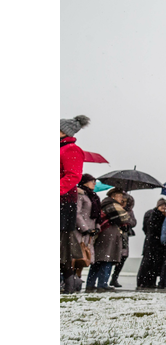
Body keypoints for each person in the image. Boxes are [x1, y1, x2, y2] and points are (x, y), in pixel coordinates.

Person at [60, 115, 90, 293]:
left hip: (63, 202)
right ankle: (68, 280)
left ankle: (69, 280)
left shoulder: (71, 149)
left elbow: (73, 176)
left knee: (62, 243)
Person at [87, 188, 131, 292]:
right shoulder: (111, 205)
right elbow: (124, 218)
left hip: (105, 235)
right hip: (108, 235)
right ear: (113, 196)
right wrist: (125, 210)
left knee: (98, 261)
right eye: (120, 196)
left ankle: (91, 284)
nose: (121, 198)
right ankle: (102, 284)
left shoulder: (106, 204)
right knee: (107, 259)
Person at [136, 198, 166, 288]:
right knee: (148, 263)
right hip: (152, 242)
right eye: (162, 205)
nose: (164, 207)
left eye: (165, 206)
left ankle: (150, 282)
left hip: (156, 243)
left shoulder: (162, 215)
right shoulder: (153, 214)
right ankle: (143, 282)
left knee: (155, 264)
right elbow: (149, 228)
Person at [74, 174, 101, 282]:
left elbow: (97, 215)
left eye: (95, 181)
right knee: (76, 255)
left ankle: (77, 278)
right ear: (84, 182)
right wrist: (84, 228)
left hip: (90, 231)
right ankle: (71, 279)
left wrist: (97, 227)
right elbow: (77, 213)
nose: (94, 183)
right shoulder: (80, 195)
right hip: (79, 230)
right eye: (92, 181)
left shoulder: (94, 197)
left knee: (84, 256)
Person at [109, 193, 137, 287]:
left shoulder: (129, 211)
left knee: (123, 256)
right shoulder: (115, 208)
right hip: (115, 235)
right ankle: (106, 278)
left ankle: (114, 278)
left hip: (124, 237)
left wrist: (127, 220)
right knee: (112, 256)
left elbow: (133, 222)